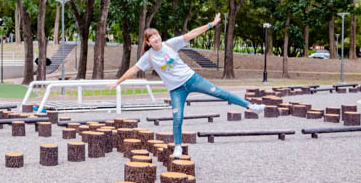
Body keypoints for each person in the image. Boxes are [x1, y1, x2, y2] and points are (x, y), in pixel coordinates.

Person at [110, 13, 264, 158]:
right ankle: (178, 146)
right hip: (176, 90)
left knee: (220, 92)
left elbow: (191, 34)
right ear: (148, 42)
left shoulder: (170, 44)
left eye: (156, 34)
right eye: (151, 37)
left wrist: (211, 24)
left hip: (192, 79)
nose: (155, 38)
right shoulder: (148, 57)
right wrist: (118, 82)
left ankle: (251, 107)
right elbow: (134, 69)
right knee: (177, 117)